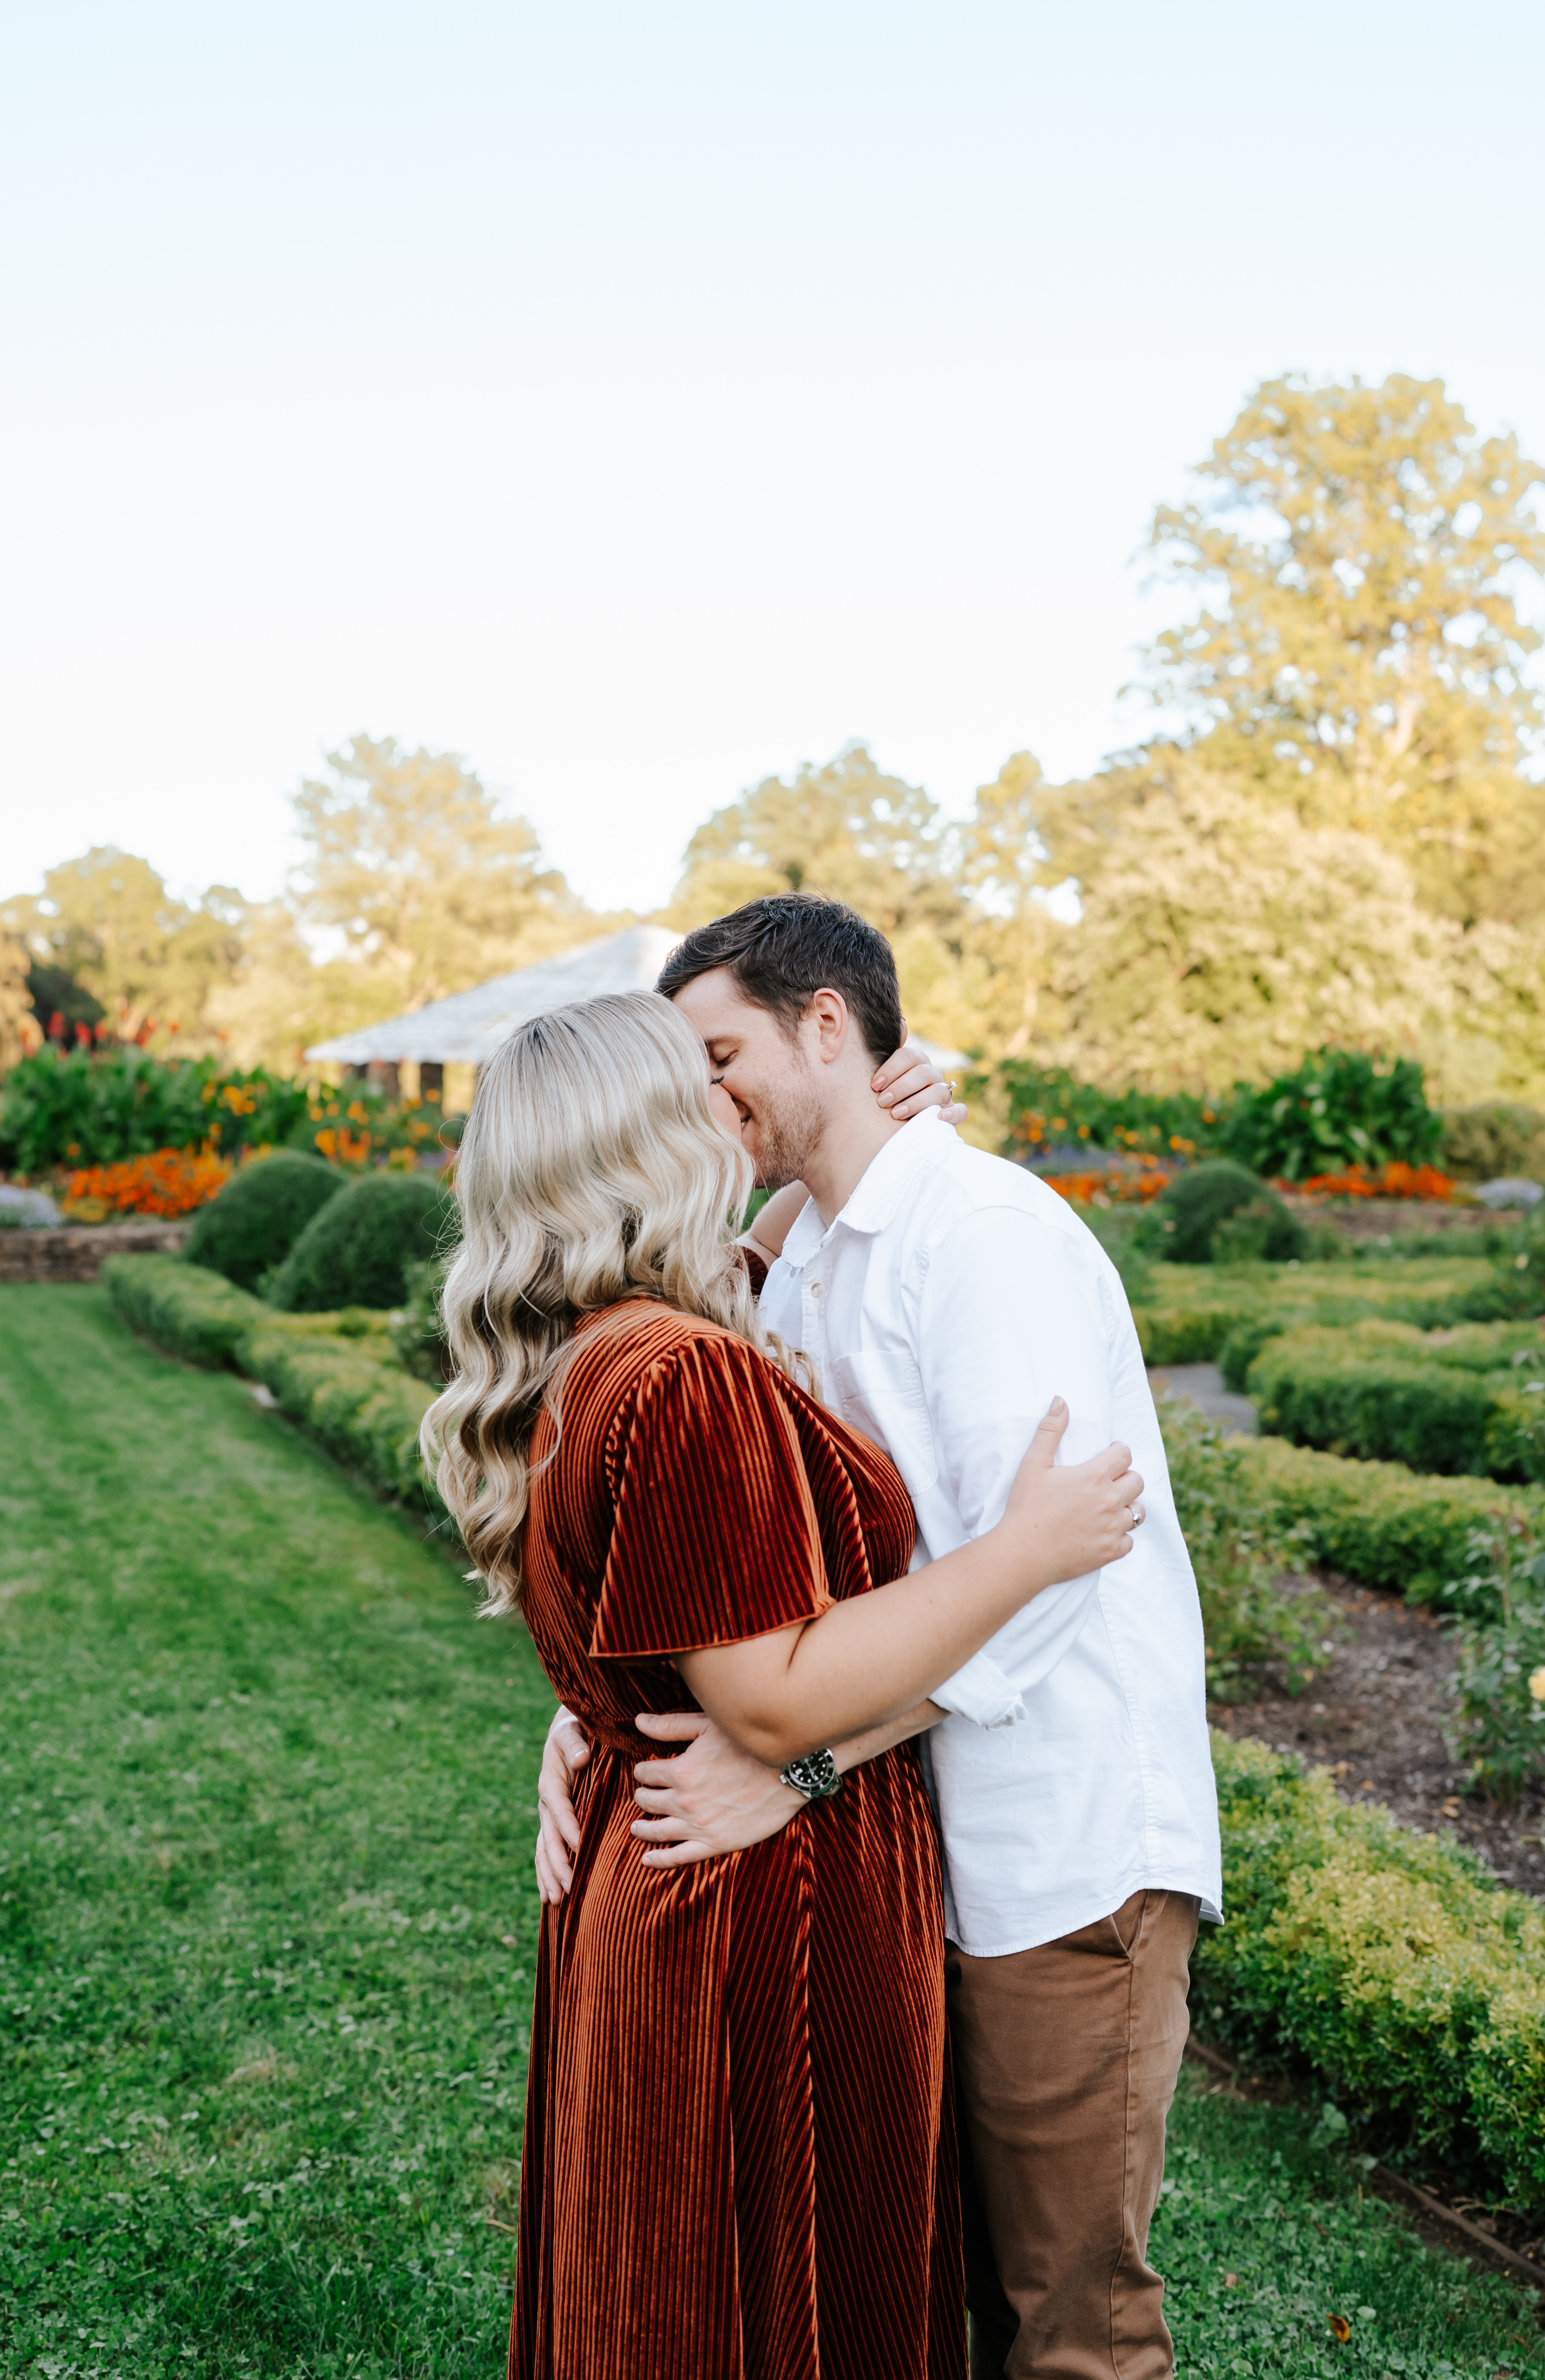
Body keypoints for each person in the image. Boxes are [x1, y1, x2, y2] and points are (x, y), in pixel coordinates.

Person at [537, 896, 1223, 2380]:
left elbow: (1049, 1568)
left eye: (723, 1055)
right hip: (923, 1858)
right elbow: (730, 1550)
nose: (704, 1097)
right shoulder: (819, 1254)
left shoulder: (981, 1237)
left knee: (1067, 2327)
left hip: (1058, 1858)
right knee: (940, 2307)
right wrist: (591, 1713)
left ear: (829, 1028)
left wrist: (796, 1763)